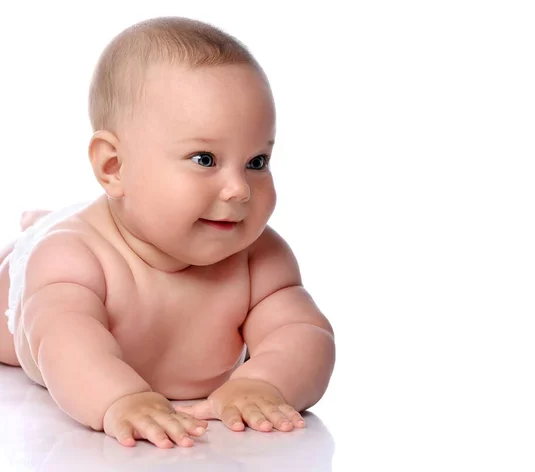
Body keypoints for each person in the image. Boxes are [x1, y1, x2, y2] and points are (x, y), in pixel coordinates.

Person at [0, 16, 335, 449]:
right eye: (204, 159)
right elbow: (65, 342)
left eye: (256, 162)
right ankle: (36, 224)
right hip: (20, 290)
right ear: (114, 167)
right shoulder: (74, 259)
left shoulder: (260, 258)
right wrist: (120, 398)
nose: (239, 191)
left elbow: (305, 334)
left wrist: (264, 381)